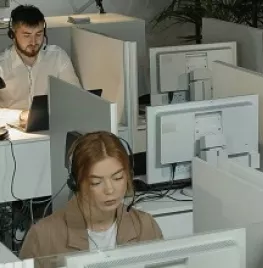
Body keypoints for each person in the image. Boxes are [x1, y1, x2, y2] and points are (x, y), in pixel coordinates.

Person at [20, 131, 162, 266]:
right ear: (76, 184)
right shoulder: (43, 236)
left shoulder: (145, 226)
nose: (110, 189)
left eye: (118, 178)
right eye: (96, 182)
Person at [0, 5, 81, 125]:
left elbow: (76, 97)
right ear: (13, 35)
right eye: (27, 35)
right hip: (13, 132)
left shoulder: (57, 57)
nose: (33, 42)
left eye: (38, 34)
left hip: (53, 127)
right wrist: (21, 115)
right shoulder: (2, 64)